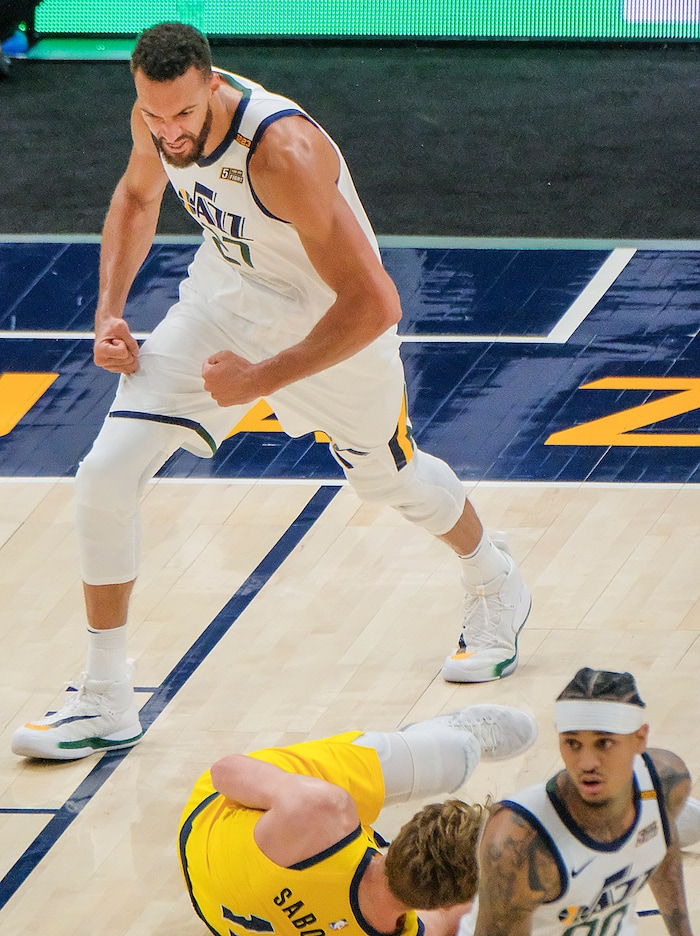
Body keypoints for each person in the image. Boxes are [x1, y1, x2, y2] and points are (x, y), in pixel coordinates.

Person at [11, 23, 531, 761]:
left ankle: (493, 576)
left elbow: (378, 302)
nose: (168, 131)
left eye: (183, 117)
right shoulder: (155, 116)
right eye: (155, 116)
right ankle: (105, 695)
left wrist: (258, 380)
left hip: (333, 325)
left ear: (213, 86)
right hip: (224, 300)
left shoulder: (281, 153)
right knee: (104, 473)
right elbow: (134, 198)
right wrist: (109, 314)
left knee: (389, 480)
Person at [178, 703, 538, 936]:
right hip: (214, 914)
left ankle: (432, 743)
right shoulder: (411, 928)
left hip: (202, 832)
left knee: (451, 756)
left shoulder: (321, 811)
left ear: (403, 830)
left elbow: (224, 771)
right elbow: (448, 920)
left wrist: (290, 791)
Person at [460, 667, 698, 936]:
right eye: (572, 743)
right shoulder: (519, 841)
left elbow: (661, 846)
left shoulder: (665, 781)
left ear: (639, 738)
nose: (586, 763)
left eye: (604, 743)